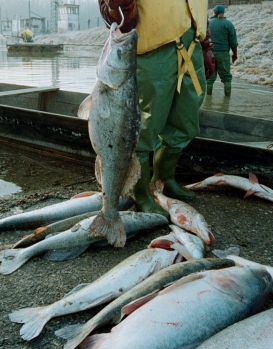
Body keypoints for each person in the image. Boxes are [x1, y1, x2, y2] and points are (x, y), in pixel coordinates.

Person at [98, 0, 215, 216]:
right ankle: (139, 193)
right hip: (151, 50)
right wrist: (116, 7)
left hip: (191, 45)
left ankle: (163, 179)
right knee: (143, 129)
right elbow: (109, 12)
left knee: (185, 120)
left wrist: (207, 43)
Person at [206, 4, 238, 97]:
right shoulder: (228, 24)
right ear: (223, 13)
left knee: (210, 78)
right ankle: (227, 101)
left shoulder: (208, 23)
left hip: (209, 54)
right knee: (226, 78)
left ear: (214, 12)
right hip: (223, 54)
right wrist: (234, 55)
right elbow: (233, 43)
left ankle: (208, 102)